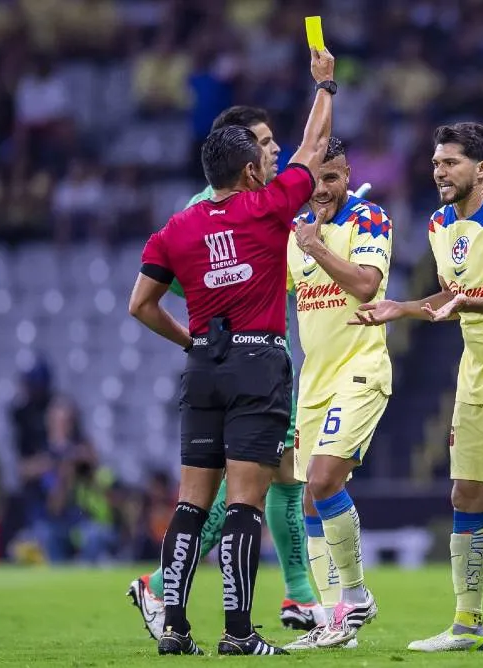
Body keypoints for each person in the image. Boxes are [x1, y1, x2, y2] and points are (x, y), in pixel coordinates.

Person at [127, 47, 336, 656]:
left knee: (191, 504)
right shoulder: (267, 208)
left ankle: (174, 629)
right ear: (248, 171)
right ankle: (239, 634)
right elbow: (312, 149)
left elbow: (140, 305)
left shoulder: (175, 228)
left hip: (203, 370)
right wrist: (325, 87)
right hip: (257, 367)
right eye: (262, 158)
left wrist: (191, 339)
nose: (271, 164)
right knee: (245, 503)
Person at [351, 122, 483, 653]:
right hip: (474, 377)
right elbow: (450, 299)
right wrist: (400, 308)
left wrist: (470, 301)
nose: (438, 172)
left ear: (482, 168)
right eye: (435, 162)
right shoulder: (439, 224)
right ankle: (466, 625)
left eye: (450, 163)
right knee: (466, 494)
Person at [279, 137, 391, 650]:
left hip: (361, 371)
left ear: (348, 175)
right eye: (316, 178)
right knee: (310, 496)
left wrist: (316, 246)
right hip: (315, 381)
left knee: (324, 479)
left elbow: (366, 286)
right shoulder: (295, 233)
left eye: (334, 176)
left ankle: (356, 596)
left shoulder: (370, 220)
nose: (324, 188)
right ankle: (334, 622)